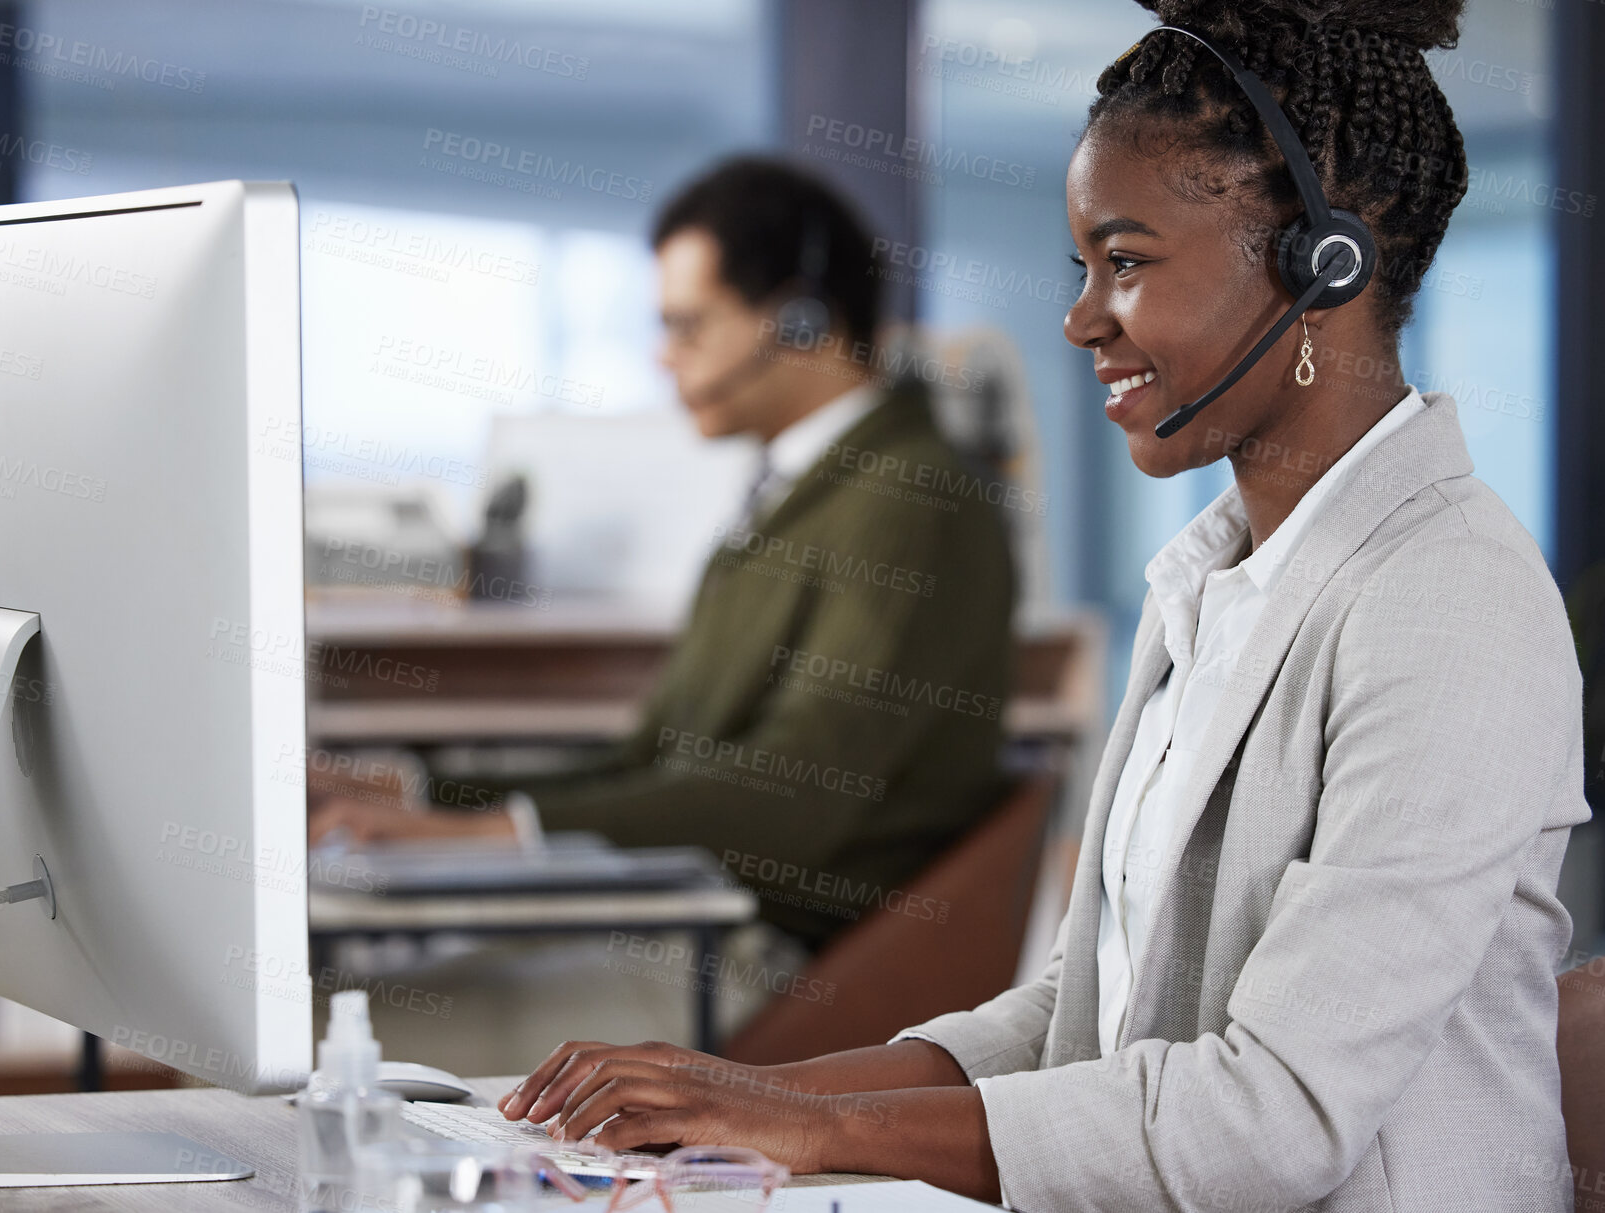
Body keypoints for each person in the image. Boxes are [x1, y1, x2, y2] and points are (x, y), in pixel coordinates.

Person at [495, 3, 1590, 1209]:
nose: (1079, 319)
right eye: (1083, 267)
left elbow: (1273, 1118)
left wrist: (814, 1133)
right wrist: (765, 1098)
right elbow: (1083, 1009)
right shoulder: (1216, 585)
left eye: (1124, 262)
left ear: (1319, 264)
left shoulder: (1448, 602)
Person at [309, 157, 1017, 953]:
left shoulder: (909, 501)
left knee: (344, 990)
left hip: (766, 948)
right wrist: (415, 796)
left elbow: (791, 800)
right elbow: (648, 765)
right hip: (696, 911)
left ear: (801, 325)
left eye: (687, 326)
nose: (662, 357)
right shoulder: (803, 486)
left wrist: (488, 833)